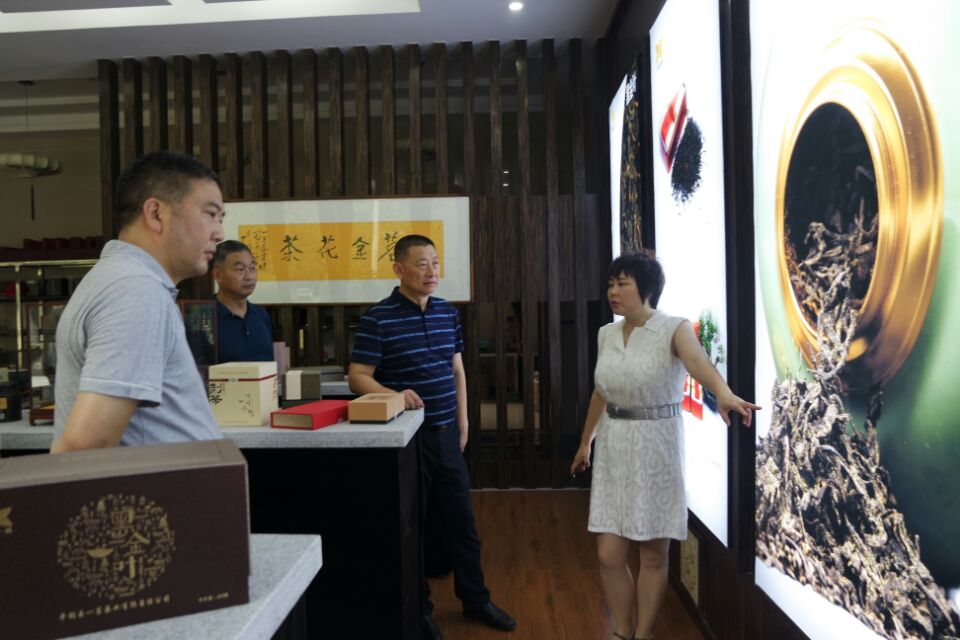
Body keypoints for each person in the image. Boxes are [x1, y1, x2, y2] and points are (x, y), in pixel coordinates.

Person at [571, 251, 759, 640]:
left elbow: (698, 363)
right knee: (608, 554)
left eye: (623, 283)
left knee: (653, 554)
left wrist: (723, 392)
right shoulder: (607, 334)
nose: (613, 291)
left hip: (657, 446)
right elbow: (601, 391)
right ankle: (622, 630)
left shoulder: (674, 328)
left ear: (647, 289)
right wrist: (586, 442)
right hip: (614, 447)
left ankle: (642, 634)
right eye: (611, 284)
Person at [348, 234, 516, 640]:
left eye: (436, 263)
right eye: (422, 264)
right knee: (415, 527)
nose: (432, 272)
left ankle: (476, 599)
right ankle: (420, 610)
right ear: (399, 269)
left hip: (446, 435)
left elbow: (457, 370)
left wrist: (464, 421)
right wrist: (393, 395)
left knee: (462, 522)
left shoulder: (446, 312)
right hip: (408, 442)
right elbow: (358, 377)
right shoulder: (378, 318)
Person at [51, 151, 226, 452]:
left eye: (221, 219)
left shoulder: (124, 280)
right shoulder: (135, 289)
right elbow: (86, 443)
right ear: (156, 214)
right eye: (210, 214)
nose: (219, 234)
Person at [211, 239, 273, 363]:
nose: (249, 276)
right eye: (240, 269)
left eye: (252, 268)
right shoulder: (204, 316)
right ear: (217, 274)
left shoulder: (261, 314)